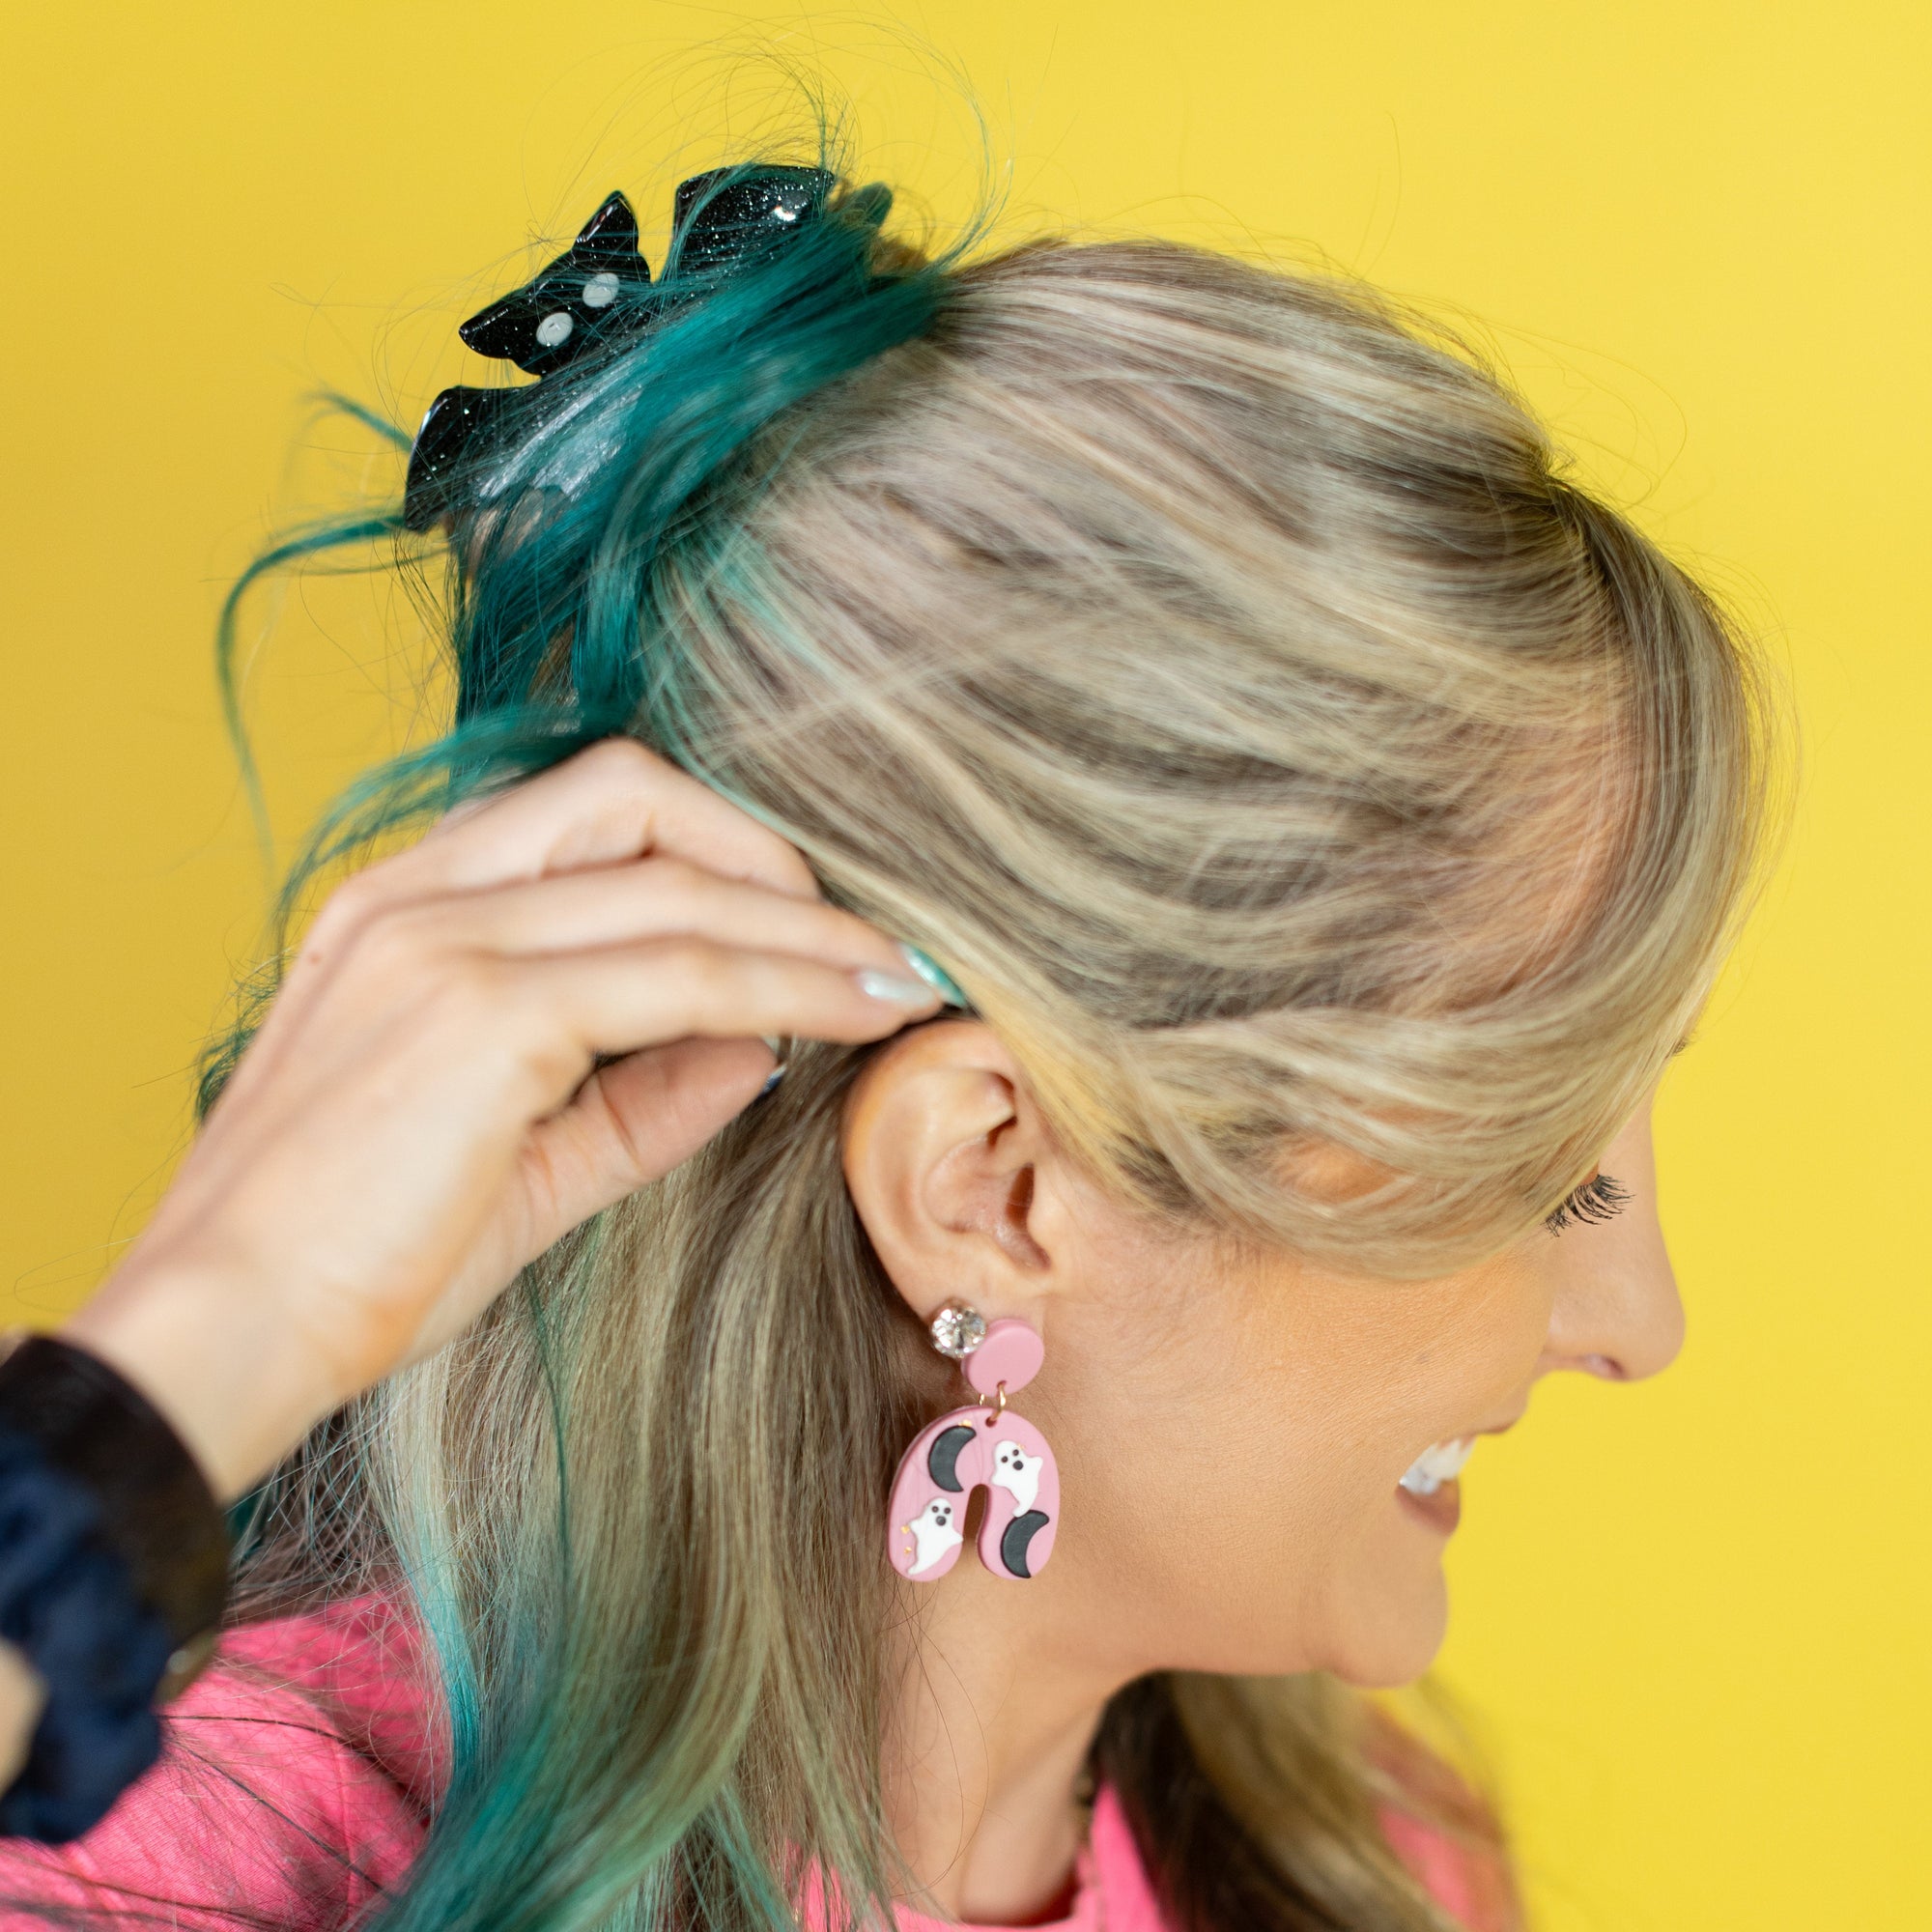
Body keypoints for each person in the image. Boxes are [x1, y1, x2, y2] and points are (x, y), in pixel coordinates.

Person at [0, 150, 1768, 1932]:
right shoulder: (194, 1865)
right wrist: (195, 1352)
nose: (1642, 1325)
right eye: (1541, 1167)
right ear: (991, 1186)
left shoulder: (1370, 1871)